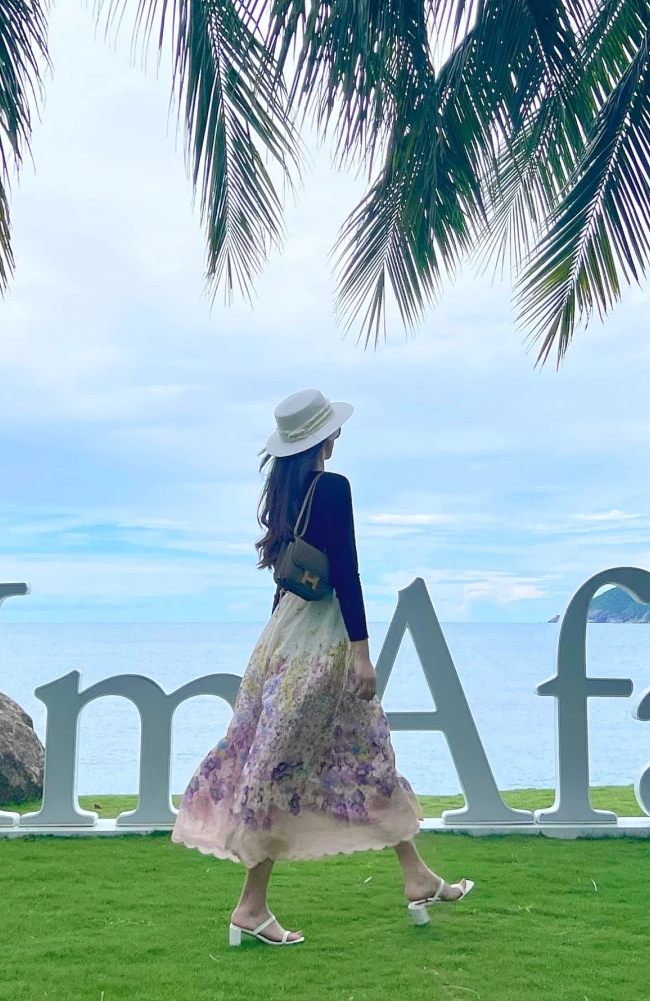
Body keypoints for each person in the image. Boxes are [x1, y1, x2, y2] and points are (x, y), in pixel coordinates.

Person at [172, 388, 473, 946]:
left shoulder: (284, 496)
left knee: (363, 759)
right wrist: (361, 652)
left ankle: (416, 877)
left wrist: (274, 654)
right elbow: (348, 573)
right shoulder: (332, 489)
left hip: (284, 636)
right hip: (323, 643)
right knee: (288, 767)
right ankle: (251, 906)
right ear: (324, 437)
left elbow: (286, 580)